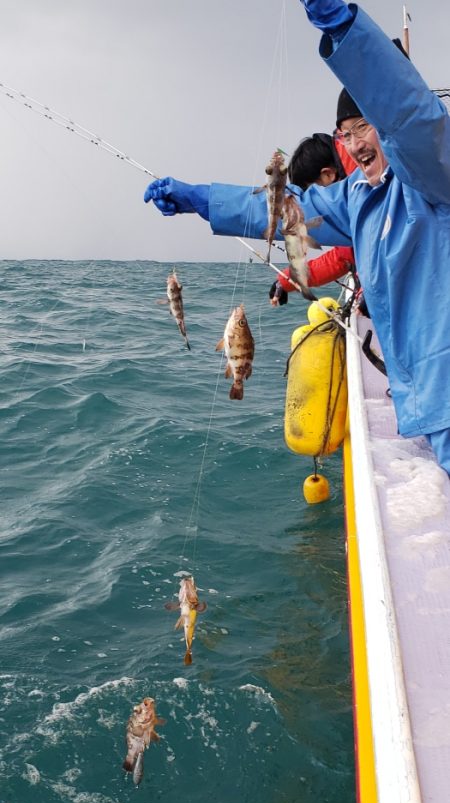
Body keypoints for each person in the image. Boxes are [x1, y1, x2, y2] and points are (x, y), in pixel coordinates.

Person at [143, 0, 450, 475]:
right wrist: (201, 199)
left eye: (364, 126)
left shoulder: (434, 173)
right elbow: (284, 210)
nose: (355, 144)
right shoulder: (358, 196)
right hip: (430, 404)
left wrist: (345, 30)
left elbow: (410, 117)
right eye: (345, 134)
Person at [269, 131, 356, 306]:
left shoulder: (370, 189)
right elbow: (344, 256)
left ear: (328, 174)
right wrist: (286, 280)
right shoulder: (354, 198)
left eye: (313, 195)